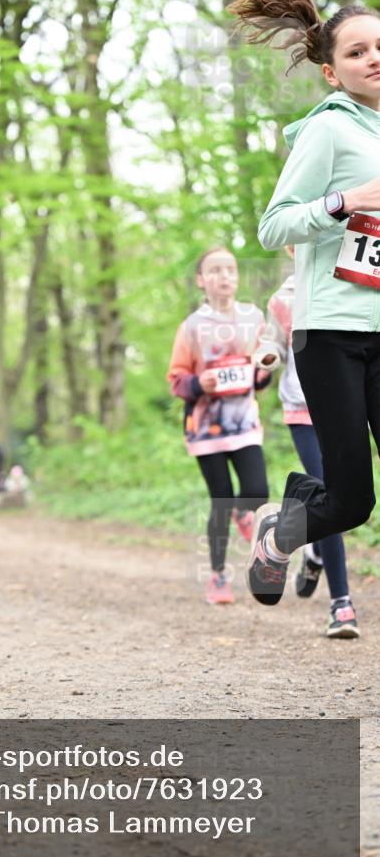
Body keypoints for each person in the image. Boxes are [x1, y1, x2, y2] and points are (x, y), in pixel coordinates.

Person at [227, 0, 380, 632]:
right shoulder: (328, 131)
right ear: (329, 71)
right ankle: (278, 535)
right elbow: (274, 225)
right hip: (331, 334)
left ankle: (292, 507)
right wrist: (343, 202)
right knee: (350, 500)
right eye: (355, 52)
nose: (373, 58)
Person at [167, 247, 277, 605]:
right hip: (205, 429)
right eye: (214, 271)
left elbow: (258, 372)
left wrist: (262, 372)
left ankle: (244, 513)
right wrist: (200, 384)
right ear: (201, 280)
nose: (224, 276)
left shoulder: (254, 318)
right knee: (220, 498)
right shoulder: (192, 327)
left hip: (244, 422)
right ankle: (217, 576)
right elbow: (176, 379)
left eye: (229, 269)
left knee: (257, 490)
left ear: (237, 277)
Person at [264, 248, 357, 637]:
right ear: (293, 248)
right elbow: (273, 344)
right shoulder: (283, 299)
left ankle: (314, 548)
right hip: (302, 409)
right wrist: (266, 354)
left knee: (350, 498)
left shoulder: (351, 279)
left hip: (348, 405)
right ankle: (342, 604)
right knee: (333, 494)